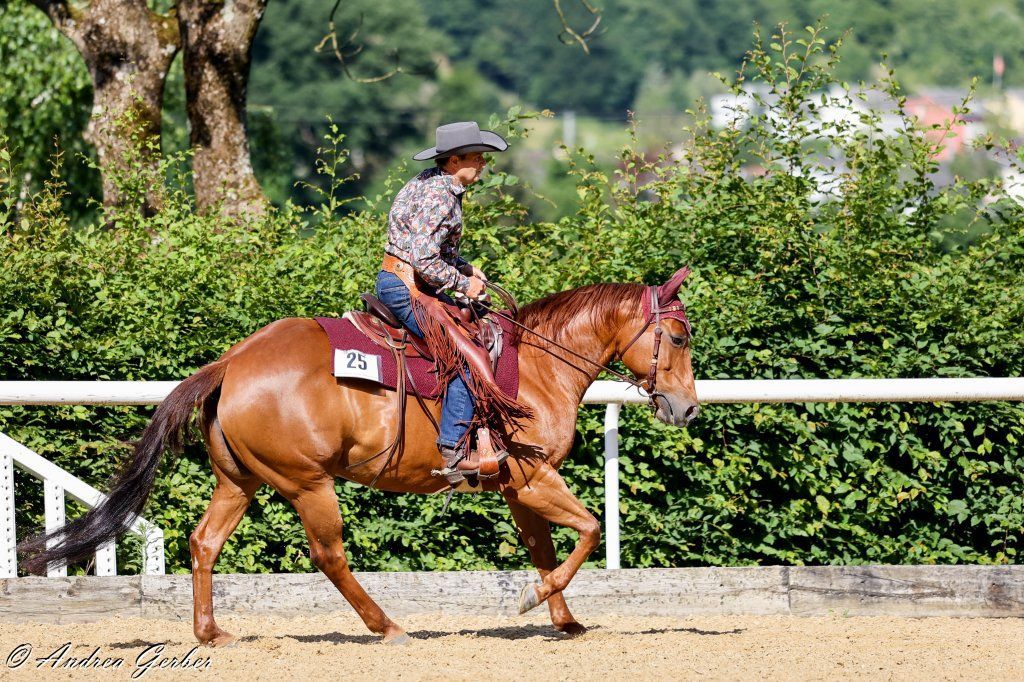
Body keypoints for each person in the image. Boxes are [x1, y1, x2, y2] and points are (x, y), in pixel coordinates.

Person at [375, 121, 521, 483]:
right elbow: (424, 260)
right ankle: (454, 451)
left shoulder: (433, 182)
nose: (483, 164)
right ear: (454, 161)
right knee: (467, 354)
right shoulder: (440, 196)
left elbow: (429, 250)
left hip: (404, 279)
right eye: (477, 157)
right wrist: (463, 283)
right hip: (407, 286)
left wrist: (467, 268)